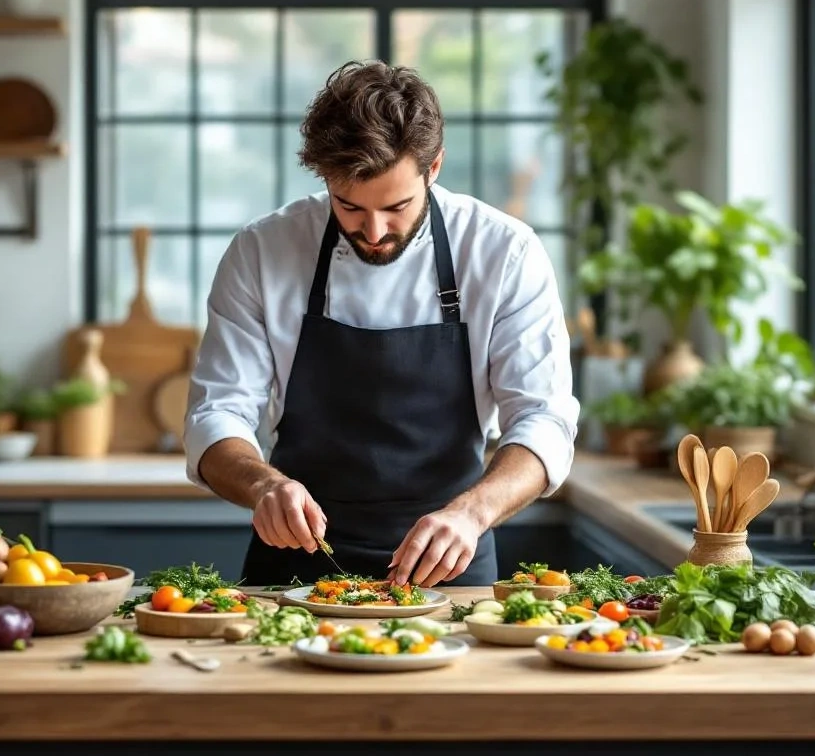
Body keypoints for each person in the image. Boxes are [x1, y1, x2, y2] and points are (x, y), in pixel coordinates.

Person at [182, 60, 579, 588]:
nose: (373, 231)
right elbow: (217, 414)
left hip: (450, 564)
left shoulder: (503, 253)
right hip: (293, 572)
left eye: (396, 206)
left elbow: (544, 419)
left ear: (433, 167)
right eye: (348, 206)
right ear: (324, 177)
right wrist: (263, 487)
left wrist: (473, 513)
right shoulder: (263, 251)